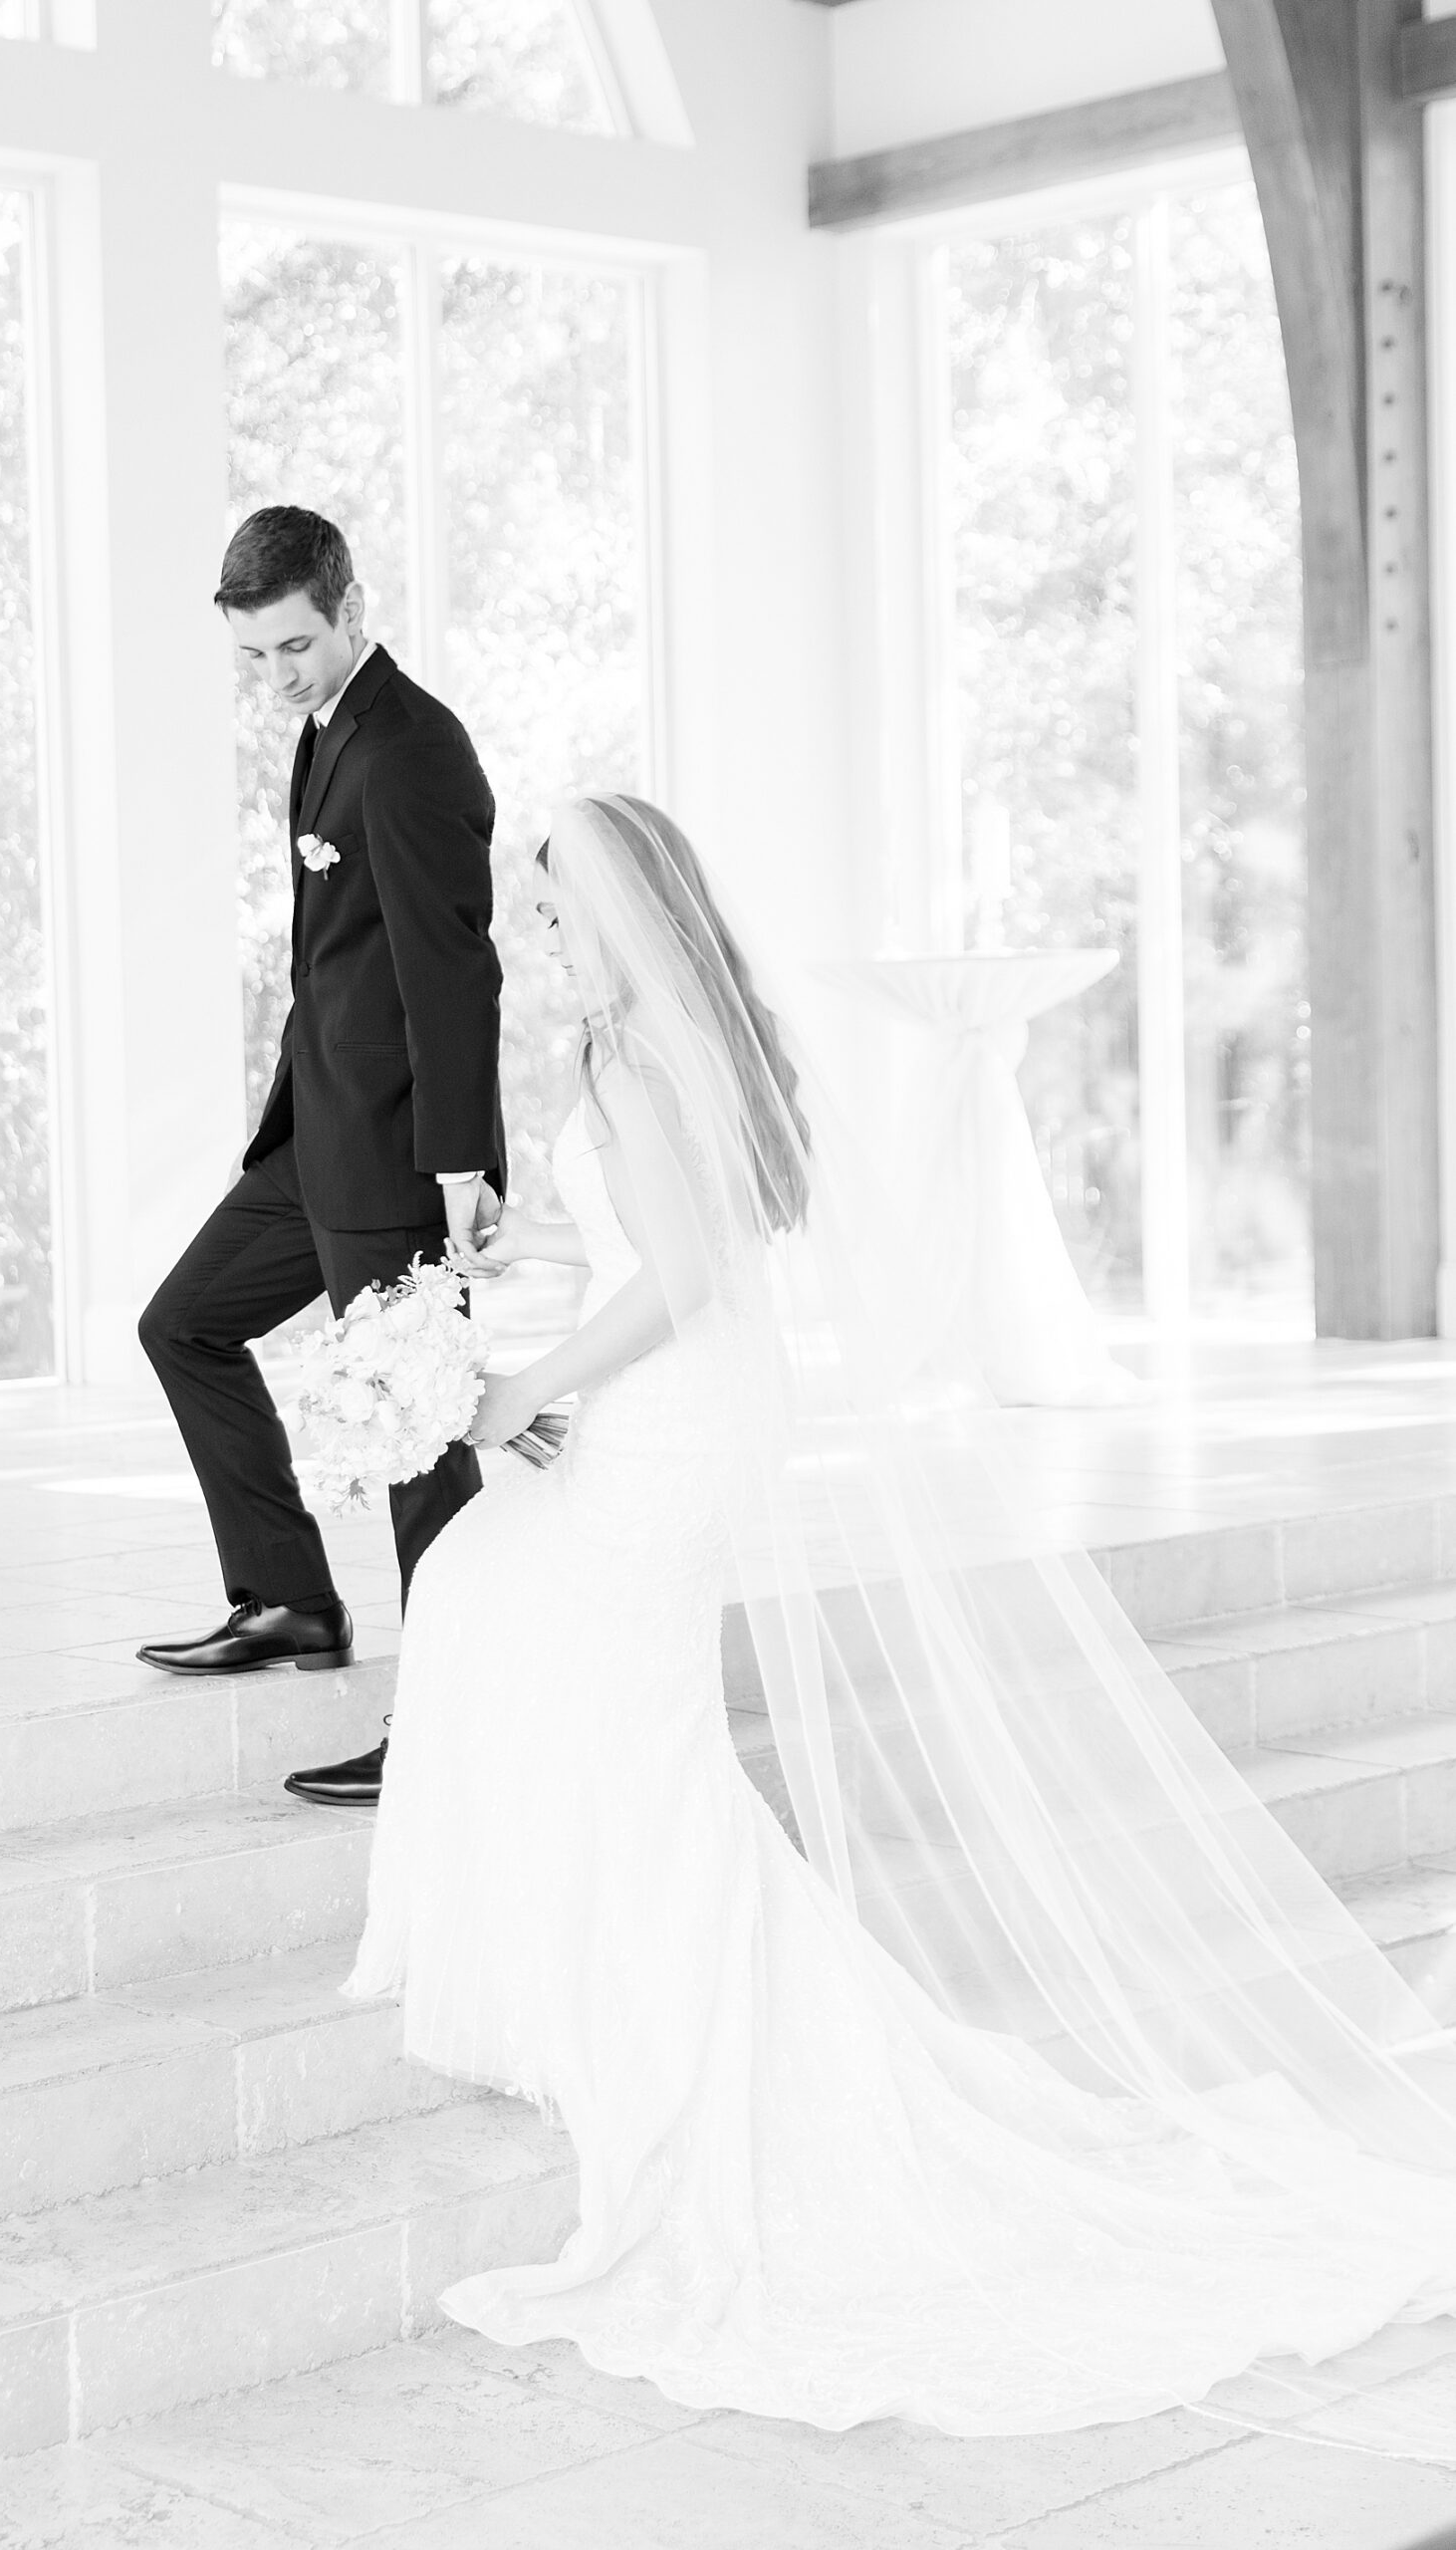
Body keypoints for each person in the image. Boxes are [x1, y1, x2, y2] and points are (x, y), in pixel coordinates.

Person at [344, 791, 1456, 2448]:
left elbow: (696, 1264)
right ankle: (552, 1968)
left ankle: (621, 2014)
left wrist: (521, 1388)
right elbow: (686, 1241)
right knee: (503, 1612)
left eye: (558, 919)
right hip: (682, 1415)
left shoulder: (632, 1056)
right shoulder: (687, 1037)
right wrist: (512, 1294)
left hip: (654, 1417)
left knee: (548, 1652)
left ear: (626, 920)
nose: (541, 943)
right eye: (537, 920)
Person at [137, 508, 504, 1811]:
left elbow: (452, 971)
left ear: (354, 608)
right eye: (255, 657)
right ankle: (290, 1600)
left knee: (417, 1444)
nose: (278, 677)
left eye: (294, 646)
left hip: (397, 1153)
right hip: (317, 1137)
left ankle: (454, 1718)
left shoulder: (408, 751)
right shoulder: (324, 731)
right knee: (182, 1324)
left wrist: (462, 1165)